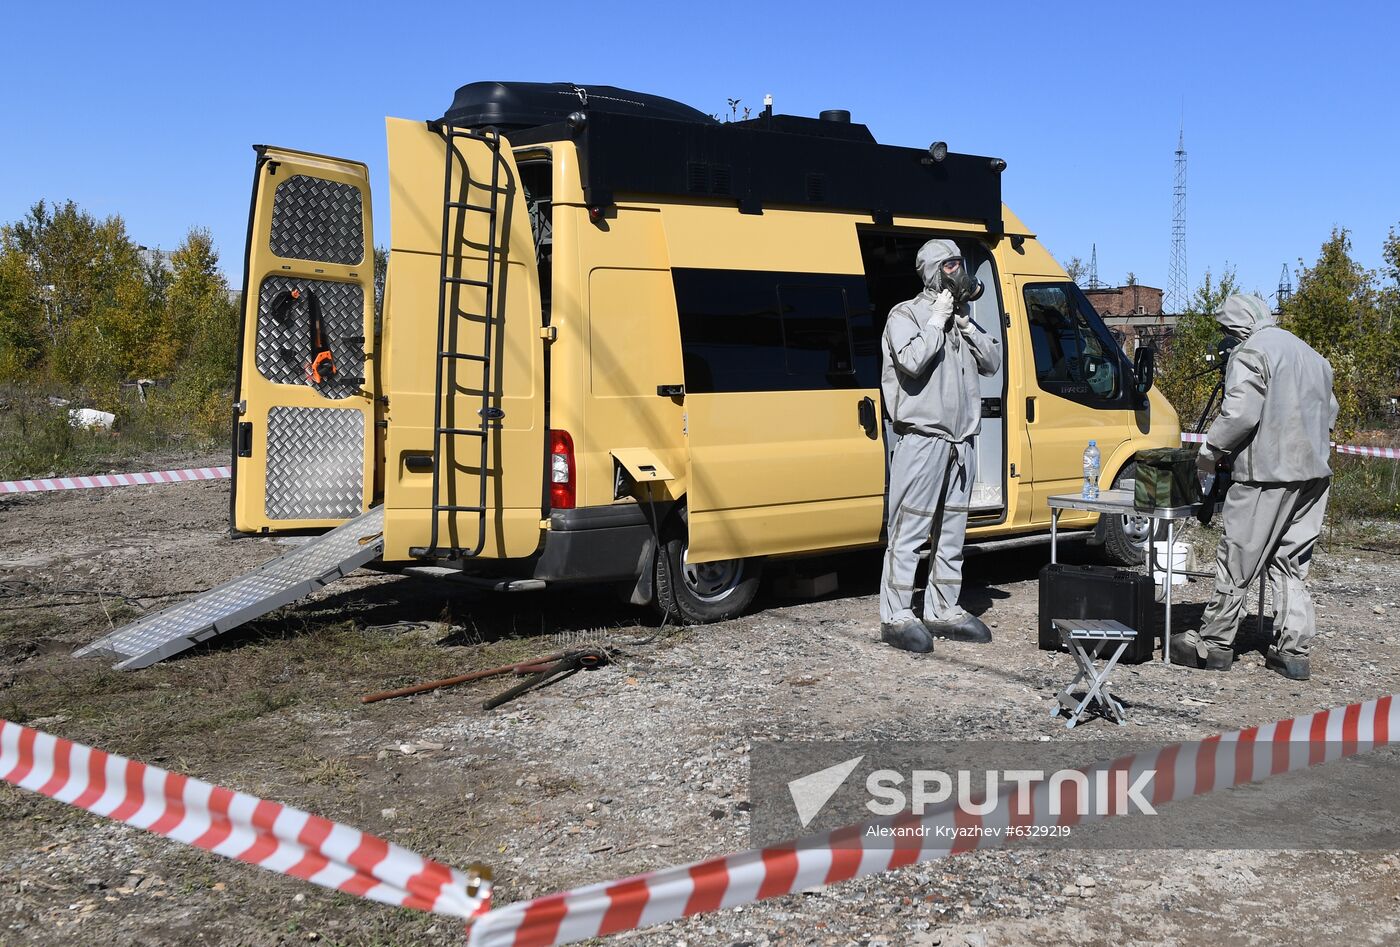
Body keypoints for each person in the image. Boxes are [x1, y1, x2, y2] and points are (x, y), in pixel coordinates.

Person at [1170, 293, 1338, 680]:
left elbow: (1241, 414)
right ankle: (1292, 651)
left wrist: (1209, 453)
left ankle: (1213, 643)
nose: (1228, 336)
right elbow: (1329, 412)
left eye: (1229, 329)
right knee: (1291, 563)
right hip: (1313, 475)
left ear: (1239, 322)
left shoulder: (1251, 352)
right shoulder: (1310, 354)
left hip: (1265, 474)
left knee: (1239, 557)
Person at [878, 239, 1002, 652]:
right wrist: (936, 320)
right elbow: (911, 361)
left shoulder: (960, 320)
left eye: (959, 264)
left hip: (961, 442)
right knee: (910, 529)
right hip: (922, 440)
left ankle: (943, 608)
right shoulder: (906, 315)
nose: (958, 271)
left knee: (952, 533)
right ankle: (895, 614)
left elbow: (992, 362)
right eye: (950, 265)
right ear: (933, 270)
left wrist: (964, 323)